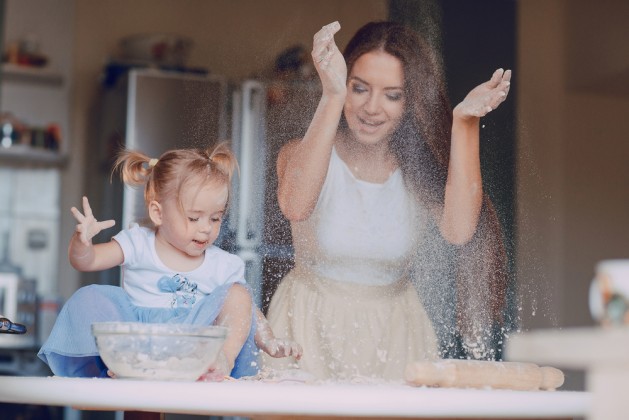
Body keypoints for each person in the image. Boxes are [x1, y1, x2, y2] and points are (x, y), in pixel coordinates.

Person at [263, 21, 511, 381]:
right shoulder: (301, 154)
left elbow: (458, 231)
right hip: (305, 329)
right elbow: (296, 206)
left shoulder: (418, 172)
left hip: (396, 337)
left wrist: (465, 122)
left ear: (411, 101)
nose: (371, 108)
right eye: (359, 88)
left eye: (392, 95)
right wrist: (331, 95)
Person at [38, 142, 301, 380]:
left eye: (215, 218)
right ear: (158, 213)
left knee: (239, 294)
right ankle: (123, 363)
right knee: (90, 296)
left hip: (193, 348)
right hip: (137, 342)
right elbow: (88, 261)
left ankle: (222, 360)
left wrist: (268, 339)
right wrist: (81, 243)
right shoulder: (138, 242)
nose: (206, 229)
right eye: (194, 217)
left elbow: (246, 312)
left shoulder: (223, 264)